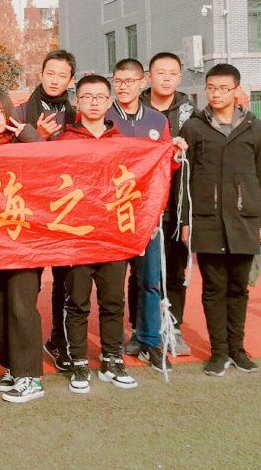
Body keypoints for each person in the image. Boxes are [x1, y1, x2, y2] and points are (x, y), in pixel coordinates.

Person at [178, 63, 261, 376]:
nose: (216, 94)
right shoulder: (193, 128)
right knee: (213, 288)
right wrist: (186, 220)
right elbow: (184, 178)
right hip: (207, 220)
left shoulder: (256, 129)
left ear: (236, 91)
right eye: (211, 88)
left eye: (223, 88)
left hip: (245, 220)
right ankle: (219, 352)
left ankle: (238, 350)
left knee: (238, 288)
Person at [54, 74, 139, 395]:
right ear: (77, 101)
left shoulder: (122, 143)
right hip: (76, 238)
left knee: (113, 301)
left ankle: (112, 358)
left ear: (109, 102)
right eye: (87, 97)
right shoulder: (63, 142)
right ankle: (78, 361)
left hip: (112, 237)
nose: (93, 102)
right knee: (77, 302)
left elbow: (144, 175)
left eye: (100, 97)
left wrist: (171, 155)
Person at [107, 59, 185, 373]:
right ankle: (113, 344)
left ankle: (150, 340)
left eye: (130, 81)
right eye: (118, 81)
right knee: (112, 284)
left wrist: (175, 156)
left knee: (151, 280)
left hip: (148, 215)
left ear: (142, 83)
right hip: (111, 216)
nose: (123, 86)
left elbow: (166, 166)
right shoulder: (104, 116)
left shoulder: (157, 120)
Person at [0, 91, 45, 403]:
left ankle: (31, 376)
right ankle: (12, 367)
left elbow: (53, 161)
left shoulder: (25, 144)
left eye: (0, 111)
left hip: (25, 241)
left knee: (22, 305)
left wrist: (29, 135)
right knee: (1, 304)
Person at [23, 51, 79, 372]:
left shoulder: (76, 115)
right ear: (41, 73)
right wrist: (35, 136)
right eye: (50, 73)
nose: (55, 80)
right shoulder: (21, 111)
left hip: (64, 206)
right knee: (28, 282)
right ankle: (23, 347)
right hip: (28, 207)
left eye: (62, 76)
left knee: (66, 279)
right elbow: (3, 159)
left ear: (71, 80)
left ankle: (59, 340)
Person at [142, 51, 196, 355]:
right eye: (160, 72)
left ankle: (173, 326)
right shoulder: (136, 110)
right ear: (149, 76)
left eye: (172, 73)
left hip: (177, 206)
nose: (166, 78)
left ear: (179, 78)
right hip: (144, 206)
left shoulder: (191, 114)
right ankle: (142, 328)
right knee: (142, 274)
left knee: (175, 271)